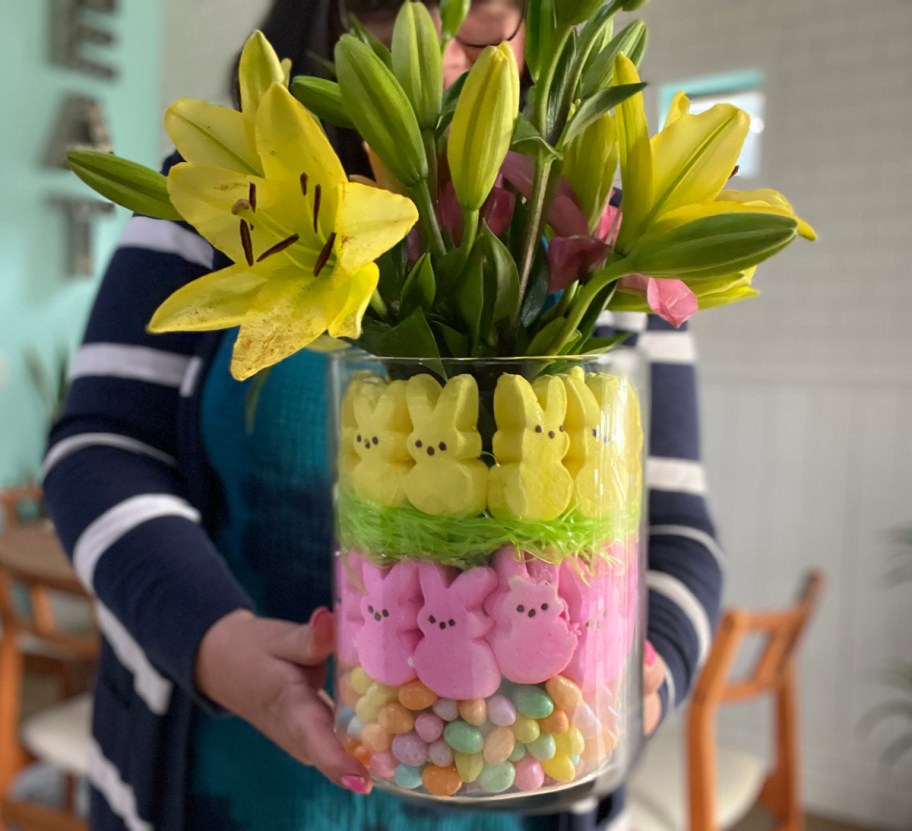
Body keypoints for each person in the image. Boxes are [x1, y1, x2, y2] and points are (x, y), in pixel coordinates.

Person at [43, 1, 723, 829]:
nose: (430, 47)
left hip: (532, 769)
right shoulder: (223, 198)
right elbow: (100, 450)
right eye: (387, 7)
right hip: (220, 782)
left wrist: (635, 679)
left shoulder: (602, 230)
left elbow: (676, 525)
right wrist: (212, 642)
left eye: (482, 15)